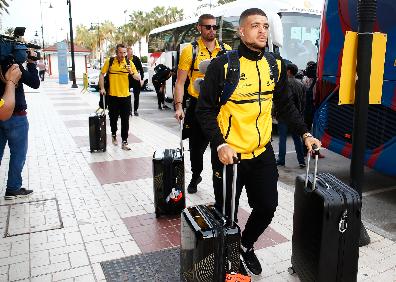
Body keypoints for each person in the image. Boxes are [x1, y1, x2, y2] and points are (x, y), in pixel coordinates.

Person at [196, 8, 321, 275]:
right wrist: (220, 143)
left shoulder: (275, 64)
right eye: (255, 25)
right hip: (230, 155)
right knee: (226, 215)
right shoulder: (223, 66)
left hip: (262, 152)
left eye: (265, 25)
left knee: (267, 206)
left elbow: (285, 106)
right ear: (241, 32)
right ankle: (228, 260)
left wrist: (305, 133)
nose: (262, 30)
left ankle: (245, 245)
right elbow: (204, 110)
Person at [174, 13, 231, 194]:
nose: (212, 30)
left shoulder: (226, 50)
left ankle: (218, 183)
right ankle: (195, 175)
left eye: (214, 27)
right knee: (196, 149)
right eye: (208, 27)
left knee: (219, 146)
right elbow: (180, 82)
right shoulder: (190, 51)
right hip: (198, 107)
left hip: (219, 107)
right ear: (199, 28)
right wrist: (178, 106)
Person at [0, 50, 40, 200]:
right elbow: (35, 83)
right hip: (16, 116)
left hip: (0, 114)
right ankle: (13, 188)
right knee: (18, 154)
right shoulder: (14, 66)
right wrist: (31, 63)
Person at [99, 44, 141, 151]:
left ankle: (124, 141)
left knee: (125, 120)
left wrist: (130, 72)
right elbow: (101, 74)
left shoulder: (129, 63)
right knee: (113, 118)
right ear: (116, 52)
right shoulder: (110, 61)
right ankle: (113, 134)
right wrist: (102, 88)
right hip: (113, 96)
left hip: (125, 97)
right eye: (120, 53)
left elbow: (138, 78)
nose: (122, 55)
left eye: (124, 53)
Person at [276, 63, 306, 168]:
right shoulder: (301, 84)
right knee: (297, 139)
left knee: (282, 139)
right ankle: (301, 161)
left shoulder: (284, 83)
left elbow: (280, 101)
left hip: (284, 116)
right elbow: (303, 102)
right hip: (296, 116)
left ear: (288, 71)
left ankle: (281, 160)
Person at [126, 47, 144, 116]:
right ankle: (129, 110)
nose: (131, 54)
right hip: (127, 80)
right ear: (127, 53)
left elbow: (141, 70)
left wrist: (141, 79)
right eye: (130, 52)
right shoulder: (124, 60)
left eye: (132, 52)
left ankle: (135, 110)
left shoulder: (136, 59)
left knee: (136, 96)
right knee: (127, 95)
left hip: (136, 79)